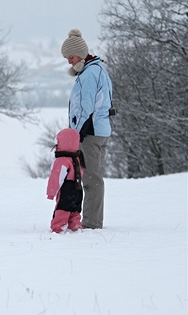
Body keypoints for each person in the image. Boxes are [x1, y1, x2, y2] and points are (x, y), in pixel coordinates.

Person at [60, 29, 113, 229]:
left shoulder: (90, 74)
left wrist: (73, 134)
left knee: (91, 178)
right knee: (91, 176)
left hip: (89, 133)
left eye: (71, 57)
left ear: (81, 54)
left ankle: (92, 223)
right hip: (97, 130)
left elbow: (85, 107)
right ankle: (90, 220)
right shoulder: (96, 70)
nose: (69, 62)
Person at [46, 128, 85, 233]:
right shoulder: (77, 158)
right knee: (75, 209)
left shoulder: (61, 160)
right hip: (78, 188)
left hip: (67, 189)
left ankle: (58, 227)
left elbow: (56, 178)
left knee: (62, 208)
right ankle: (75, 226)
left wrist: (51, 193)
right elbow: (81, 173)